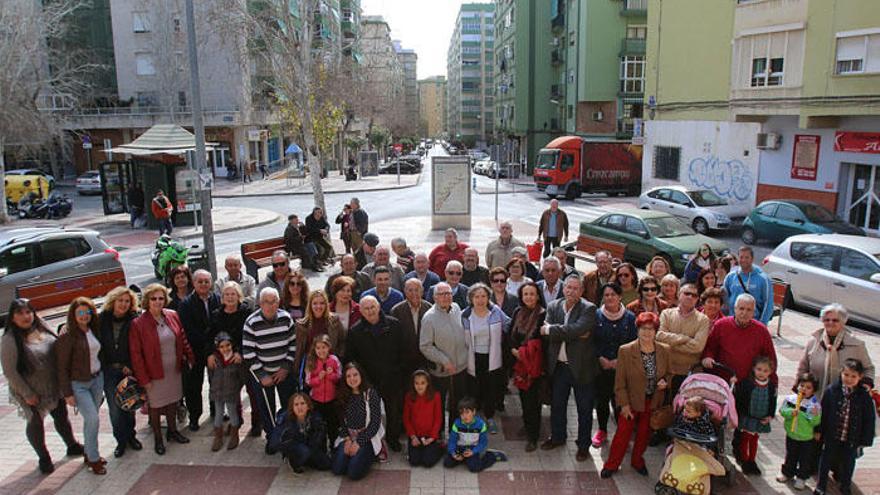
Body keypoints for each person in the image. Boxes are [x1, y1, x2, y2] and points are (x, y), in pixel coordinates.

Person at [1, 298, 83, 474]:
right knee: (35, 423)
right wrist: (27, 393)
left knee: (61, 416)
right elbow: (10, 372)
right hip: (29, 389)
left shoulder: (41, 326)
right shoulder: (9, 340)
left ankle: (72, 445)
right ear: (12, 317)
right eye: (20, 313)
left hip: (53, 384)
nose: (26, 316)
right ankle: (44, 457)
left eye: (28, 312)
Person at [600, 312, 671, 479]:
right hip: (631, 401)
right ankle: (612, 464)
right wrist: (623, 405)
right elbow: (620, 382)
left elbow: (669, 373)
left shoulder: (664, 350)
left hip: (652, 401)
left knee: (644, 435)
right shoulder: (626, 350)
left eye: (651, 329)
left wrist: (665, 382)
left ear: (656, 331)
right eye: (643, 329)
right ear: (637, 330)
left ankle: (637, 461)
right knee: (622, 435)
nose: (647, 332)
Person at [130, 284, 195, 455]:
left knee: (173, 401)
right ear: (147, 301)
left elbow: (182, 337)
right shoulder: (138, 324)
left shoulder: (172, 315)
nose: (158, 302)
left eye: (161, 298)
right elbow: (136, 355)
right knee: (156, 406)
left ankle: (173, 431)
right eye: (153, 299)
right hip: (154, 374)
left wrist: (190, 357)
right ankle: (158, 439)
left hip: (173, 370)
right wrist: (143, 379)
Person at [540, 276, 597, 462]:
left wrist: (554, 330)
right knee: (557, 405)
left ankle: (583, 445)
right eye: (568, 287)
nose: (571, 291)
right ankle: (557, 437)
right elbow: (553, 334)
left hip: (582, 368)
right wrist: (571, 332)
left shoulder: (588, 308)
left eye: (575, 288)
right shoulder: (554, 306)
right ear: (563, 289)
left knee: (584, 408)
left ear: (581, 291)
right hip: (559, 367)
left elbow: (575, 329)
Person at [345, 296, 405, 451]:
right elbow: (352, 358)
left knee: (393, 411)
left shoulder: (394, 325)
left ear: (379, 307)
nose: (370, 311)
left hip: (393, 377)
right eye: (366, 308)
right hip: (369, 381)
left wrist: (398, 371)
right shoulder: (355, 331)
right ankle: (371, 440)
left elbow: (403, 351)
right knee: (371, 413)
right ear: (361, 311)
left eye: (372, 307)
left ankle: (393, 438)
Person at [242, 287, 296, 453]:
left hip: (283, 371)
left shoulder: (286, 319)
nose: (270, 305)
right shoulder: (251, 323)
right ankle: (272, 437)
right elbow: (248, 353)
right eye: (266, 302)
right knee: (267, 408)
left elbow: (293, 346)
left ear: (278, 302)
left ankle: (288, 435)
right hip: (262, 373)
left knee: (288, 404)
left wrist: (285, 369)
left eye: (273, 302)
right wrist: (262, 375)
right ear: (260, 303)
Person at [56, 298, 106, 475]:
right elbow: (61, 367)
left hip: (97, 379)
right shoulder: (67, 335)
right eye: (80, 313)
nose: (84, 316)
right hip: (79, 385)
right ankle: (94, 458)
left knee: (90, 420)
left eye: (87, 312)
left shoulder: (94, 329)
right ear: (73, 315)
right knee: (93, 419)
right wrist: (67, 393)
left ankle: (88, 452)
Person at [814, 358, 875, 495]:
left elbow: (868, 419)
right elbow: (823, 413)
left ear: (860, 377)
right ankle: (821, 485)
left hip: (852, 437)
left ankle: (845, 486)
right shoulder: (832, 391)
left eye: (853, 376)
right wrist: (819, 430)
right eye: (846, 375)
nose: (849, 379)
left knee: (848, 464)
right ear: (841, 373)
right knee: (825, 461)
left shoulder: (864, 397)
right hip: (832, 435)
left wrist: (865, 440)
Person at [97, 287, 142, 458]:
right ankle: (121, 441)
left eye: (127, 301)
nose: (123, 304)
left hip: (128, 370)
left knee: (129, 405)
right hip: (109, 371)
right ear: (113, 301)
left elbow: (138, 346)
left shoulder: (134, 320)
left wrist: (129, 365)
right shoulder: (101, 319)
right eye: (120, 300)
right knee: (115, 409)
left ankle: (131, 436)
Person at [592, 283, 638, 448]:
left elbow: (634, 344)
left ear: (620, 296)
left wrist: (620, 360)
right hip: (601, 368)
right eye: (606, 295)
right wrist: (599, 358)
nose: (610, 298)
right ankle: (602, 430)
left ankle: (622, 434)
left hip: (622, 369)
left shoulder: (630, 318)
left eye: (613, 294)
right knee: (602, 401)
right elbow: (591, 341)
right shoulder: (596, 315)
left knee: (620, 403)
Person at [420, 282, 469, 433]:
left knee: (458, 403)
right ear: (434, 297)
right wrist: (444, 360)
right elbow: (425, 346)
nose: (446, 297)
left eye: (448, 293)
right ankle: (439, 434)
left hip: (460, 368)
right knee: (439, 404)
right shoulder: (429, 318)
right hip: (442, 371)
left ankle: (456, 432)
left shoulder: (456, 308)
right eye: (441, 294)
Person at [461, 283, 510, 435]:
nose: (480, 300)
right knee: (473, 390)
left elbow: (509, 324)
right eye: (477, 296)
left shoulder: (495, 311)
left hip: (492, 357)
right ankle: (472, 420)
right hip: (472, 357)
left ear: (488, 297)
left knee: (490, 389)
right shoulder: (465, 315)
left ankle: (490, 418)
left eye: (483, 296)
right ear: (471, 298)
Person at [797, 303, 874, 399]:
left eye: (835, 320)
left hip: (845, 399)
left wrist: (866, 384)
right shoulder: (814, 341)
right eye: (827, 320)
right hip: (815, 397)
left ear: (843, 322)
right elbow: (803, 367)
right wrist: (798, 389)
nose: (830, 323)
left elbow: (868, 369)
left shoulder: (857, 345)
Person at [209, 281, 256, 435]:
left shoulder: (247, 312)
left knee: (252, 391)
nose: (230, 297)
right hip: (224, 362)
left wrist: (240, 353)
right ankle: (236, 421)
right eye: (226, 294)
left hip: (243, 358)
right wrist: (210, 354)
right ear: (222, 297)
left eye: (233, 294)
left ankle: (257, 423)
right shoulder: (216, 314)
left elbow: (251, 336)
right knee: (231, 392)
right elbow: (209, 337)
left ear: (239, 296)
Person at [701, 293, 778, 386]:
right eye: (741, 308)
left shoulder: (762, 331)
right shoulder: (721, 325)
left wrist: (773, 383)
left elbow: (770, 358)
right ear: (735, 309)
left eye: (749, 310)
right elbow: (710, 347)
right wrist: (708, 357)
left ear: (754, 312)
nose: (744, 313)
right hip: (722, 381)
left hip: (749, 382)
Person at [177, 269, 221, 431]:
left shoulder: (217, 299)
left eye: (206, 281)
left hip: (214, 350)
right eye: (200, 281)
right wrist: (207, 341)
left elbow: (220, 323)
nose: (203, 284)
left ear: (211, 283)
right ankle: (194, 417)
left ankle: (216, 410)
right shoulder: (186, 304)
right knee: (194, 386)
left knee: (215, 382)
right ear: (194, 283)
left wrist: (214, 345)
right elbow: (187, 329)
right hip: (195, 351)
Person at [507, 282, 546, 452]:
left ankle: (533, 436)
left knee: (533, 402)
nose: (529, 297)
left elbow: (543, 343)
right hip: (520, 365)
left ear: (538, 296)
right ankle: (527, 424)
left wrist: (523, 353)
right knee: (523, 397)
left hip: (535, 366)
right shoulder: (518, 311)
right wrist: (514, 351)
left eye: (532, 294)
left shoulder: (543, 315)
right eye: (525, 294)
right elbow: (511, 334)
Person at [332, 362, 383, 480]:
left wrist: (359, 442)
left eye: (355, 375)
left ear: (361, 375)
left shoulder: (371, 394)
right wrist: (348, 439)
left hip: (367, 437)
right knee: (337, 469)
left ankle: (367, 456)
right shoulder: (343, 395)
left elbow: (375, 423)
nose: (352, 379)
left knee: (353, 473)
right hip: (349, 436)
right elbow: (341, 421)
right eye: (348, 376)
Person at [777, 373, 822, 490]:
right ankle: (787, 473)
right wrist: (790, 413)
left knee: (805, 459)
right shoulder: (790, 399)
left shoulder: (814, 405)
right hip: (791, 434)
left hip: (806, 438)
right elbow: (782, 410)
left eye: (808, 388)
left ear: (813, 390)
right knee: (790, 455)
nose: (804, 389)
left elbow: (815, 422)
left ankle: (801, 478)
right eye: (802, 386)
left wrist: (814, 416)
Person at [734, 355, 777, 475]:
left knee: (754, 440)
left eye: (765, 371)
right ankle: (745, 461)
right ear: (753, 369)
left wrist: (770, 416)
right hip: (748, 418)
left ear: (770, 372)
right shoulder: (747, 383)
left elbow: (773, 401)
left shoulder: (771, 386)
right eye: (759, 369)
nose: (761, 373)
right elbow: (739, 398)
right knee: (745, 439)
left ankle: (752, 461)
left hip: (761, 419)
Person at [270, 392, 332, 473]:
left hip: (310, 445)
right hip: (295, 446)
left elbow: (319, 437)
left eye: (303, 403)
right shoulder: (286, 419)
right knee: (304, 452)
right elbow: (275, 441)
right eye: (296, 404)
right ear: (292, 407)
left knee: (326, 464)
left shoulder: (316, 418)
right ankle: (293, 462)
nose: (300, 407)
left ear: (308, 406)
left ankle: (306, 460)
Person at [444, 397, 507, 471]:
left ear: (474, 411)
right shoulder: (457, 423)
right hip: (460, 447)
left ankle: (492, 455)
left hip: (473, 447)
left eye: (467, 412)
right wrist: (453, 453)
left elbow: (483, 442)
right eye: (462, 413)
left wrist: (473, 451)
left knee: (475, 468)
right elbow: (452, 441)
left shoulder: (480, 424)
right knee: (447, 463)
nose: (464, 416)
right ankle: (466, 460)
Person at [294, 290, 344, 382]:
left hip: (330, 366)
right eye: (315, 303)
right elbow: (299, 350)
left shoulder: (335, 321)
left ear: (326, 304)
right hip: (311, 367)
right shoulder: (301, 325)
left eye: (322, 303)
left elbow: (342, 341)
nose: (318, 306)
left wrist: (337, 359)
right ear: (310, 305)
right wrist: (297, 371)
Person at [208, 332, 244, 451]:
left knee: (232, 413)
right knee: (218, 414)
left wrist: (236, 388)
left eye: (228, 345)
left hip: (231, 392)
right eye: (222, 347)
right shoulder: (215, 359)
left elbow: (241, 377)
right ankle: (218, 436)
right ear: (218, 348)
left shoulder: (236, 359)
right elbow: (211, 374)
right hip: (217, 392)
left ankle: (234, 435)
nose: (225, 349)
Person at [391, 278, 432, 379]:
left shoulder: (429, 309)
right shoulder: (396, 311)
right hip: (405, 360)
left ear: (422, 291)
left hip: (426, 359)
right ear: (404, 291)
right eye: (410, 290)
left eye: (417, 289)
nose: (414, 293)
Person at [305, 334, 341, 448]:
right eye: (318, 348)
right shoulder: (311, 361)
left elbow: (339, 376)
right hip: (316, 400)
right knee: (319, 426)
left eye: (324, 347)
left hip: (331, 399)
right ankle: (321, 449)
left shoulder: (334, 360)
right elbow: (308, 381)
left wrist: (331, 375)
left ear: (329, 347)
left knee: (332, 426)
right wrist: (318, 378)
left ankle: (334, 447)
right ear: (314, 349)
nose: (321, 350)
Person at [723, 246, 773, 326]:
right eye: (741, 257)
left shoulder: (763, 279)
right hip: (733, 322)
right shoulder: (730, 277)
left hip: (753, 323)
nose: (743, 260)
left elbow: (768, 304)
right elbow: (725, 298)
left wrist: (762, 324)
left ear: (752, 259)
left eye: (747, 257)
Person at [404, 370, 444, 468]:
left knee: (428, 462)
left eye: (422, 383)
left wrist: (432, 437)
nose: (419, 386)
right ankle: (421, 450)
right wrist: (413, 436)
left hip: (430, 435)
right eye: (416, 383)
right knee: (414, 461)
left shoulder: (435, 396)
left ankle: (440, 447)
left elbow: (438, 418)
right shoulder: (409, 396)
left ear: (428, 383)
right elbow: (406, 418)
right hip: (415, 435)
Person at [329, 276, 362, 341]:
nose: (346, 294)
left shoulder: (359, 309)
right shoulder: (327, 309)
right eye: (342, 290)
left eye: (348, 291)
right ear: (335, 292)